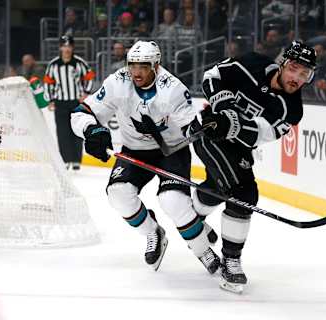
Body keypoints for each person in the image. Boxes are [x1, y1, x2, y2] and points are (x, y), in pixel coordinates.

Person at [70, 40, 221, 274]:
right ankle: (154, 232)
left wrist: (205, 135)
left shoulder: (172, 89)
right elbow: (81, 113)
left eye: (143, 66)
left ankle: (203, 250)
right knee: (118, 195)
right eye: (132, 65)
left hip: (172, 150)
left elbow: (189, 128)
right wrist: (91, 130)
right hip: (134, 150)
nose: (136, 72)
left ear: (156, 65)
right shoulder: (116, 83)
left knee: (173, 201)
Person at [188, 40, 316, 293]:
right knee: (244, 192)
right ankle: (231, 261)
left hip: (238, 145)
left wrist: (231, 123)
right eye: (294, 69)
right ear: (282, 64)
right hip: (208, 134)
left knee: (218, 186)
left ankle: (192, 218)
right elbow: (212, 77)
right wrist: (223, 109)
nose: (296, 78)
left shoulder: (292, 109)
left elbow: (260, 134)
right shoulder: (253, 63)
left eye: (305, 74)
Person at [44, 35, 95, 171]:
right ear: (60, 47)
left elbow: (90, 76)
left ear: (72, 48)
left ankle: (76, 160)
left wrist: (86, 93)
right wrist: (50, 100)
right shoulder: (53, 65)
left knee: (77, 130)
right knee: (62, 132)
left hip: (76, 102)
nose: (66, 49)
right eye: (64, 46)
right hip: (60, 102)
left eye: (69, 46)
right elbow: (48, 83)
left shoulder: (79, 63)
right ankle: (65, 160)